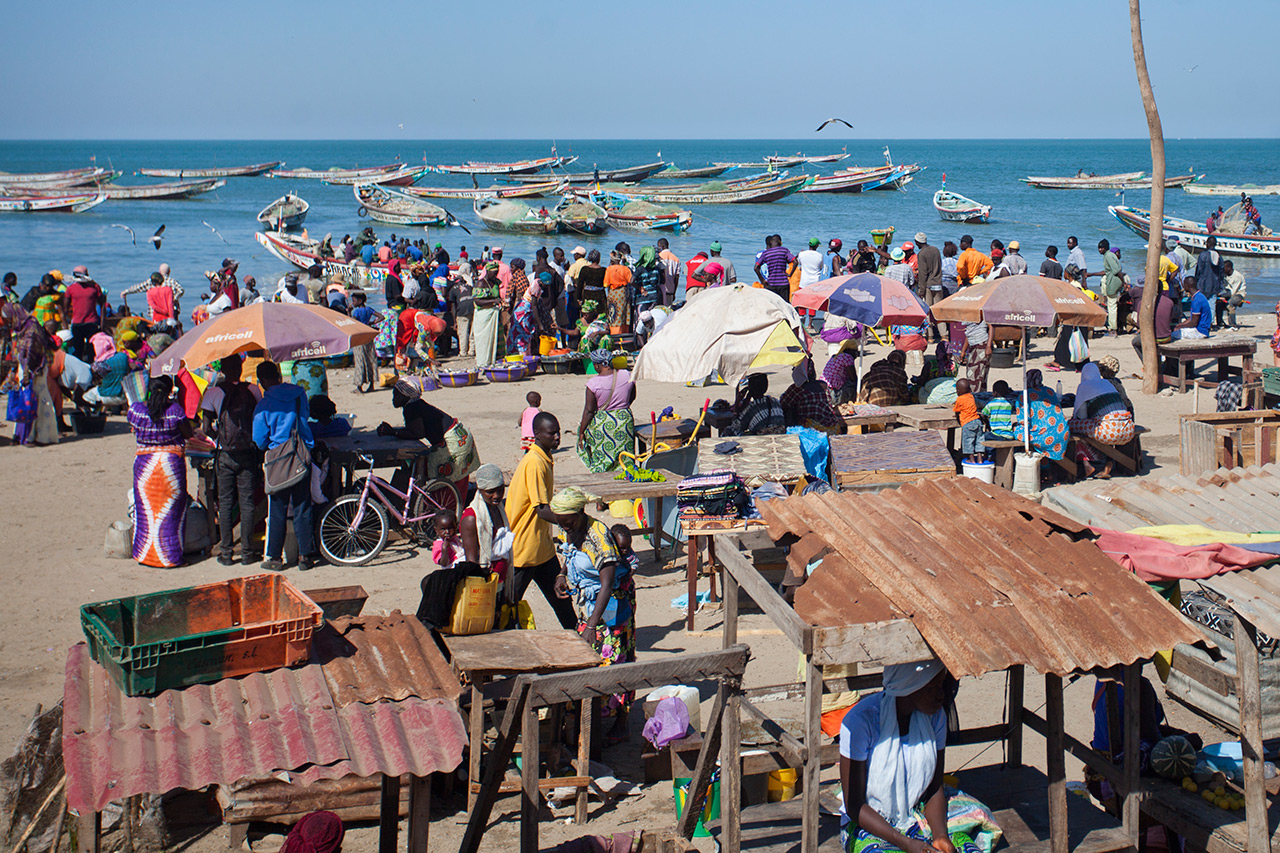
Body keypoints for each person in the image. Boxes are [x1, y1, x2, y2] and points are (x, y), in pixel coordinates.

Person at [839, 660, 988, 853]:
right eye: (932, 687)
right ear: (909, 686)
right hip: (868, 823)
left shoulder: (935, 717)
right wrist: (905, 843)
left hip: (915, 812)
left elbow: (935, 789)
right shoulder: (862, 721)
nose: (941, 695)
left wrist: (940, 836)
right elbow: (855, 805)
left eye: (941, 685)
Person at [552, 488, 637, 742]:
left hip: (612, 609)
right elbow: (568, 553)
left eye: (566, 521)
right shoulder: (566, 527)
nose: (563, 526)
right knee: (588, 662)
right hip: (588, 608)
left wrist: (591, 626)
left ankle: (621, 722)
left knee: (616, 662)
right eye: (560, 521)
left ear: (580, 513)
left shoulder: (599, 537)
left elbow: (607, 584)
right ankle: (591, 725)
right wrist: (561, 575)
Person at [506, 411, 578, 629]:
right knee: (508, 605)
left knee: (562, 599)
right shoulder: (535, 462)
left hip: (542, 547)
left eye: (558, 433)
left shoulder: (545, 457)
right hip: (525, 548)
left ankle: (579, 638)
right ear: (537, 434)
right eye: (551, 433)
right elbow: (541, 509)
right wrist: (571, 523)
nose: (557, 437)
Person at [253, 361, 318, 572]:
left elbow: (259, 438)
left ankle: (274, 557)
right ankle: (305, 556)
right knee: (302, 506)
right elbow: (305, 418)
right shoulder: (299, 394)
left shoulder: (264, 404)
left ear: (262, 381)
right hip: (301, 454)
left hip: (278, 460)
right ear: (279, 374)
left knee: (278, 509)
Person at [200, 358, 265, 566]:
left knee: (226, 502)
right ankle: (247, 553)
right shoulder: (253, 390)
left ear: (223, 370)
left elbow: (205, 428)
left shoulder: (213, 392)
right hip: (248, 453)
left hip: (225, 454)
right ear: (240, 369)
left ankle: (226, 553)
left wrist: (219, 438)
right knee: (247, 503)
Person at [128, 375, 195, 567]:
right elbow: (188, 434)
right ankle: (170, 558)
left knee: (145, 512)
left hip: (144, 466)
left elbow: (134, 427)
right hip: (170, 468)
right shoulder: (175, 411)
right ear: (169, 392)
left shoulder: (137, 411)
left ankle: (144, 555)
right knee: (172, 514)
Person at [379, 377, 480, 496]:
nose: (393, 400)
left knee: (439, 475)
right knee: (456, 478)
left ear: (406, 396)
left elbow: (417, 433)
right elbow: (415, 430)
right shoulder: (416, 404)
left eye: (396, 395)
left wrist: (393, 432)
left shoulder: (410, 408)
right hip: (460, 436)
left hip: (454, 442)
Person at [1, 303, 59, 446]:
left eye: (8, 319)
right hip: (27, 369)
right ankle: (24, 435)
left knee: (36, 402)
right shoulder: (22, 327)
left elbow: (31, 353)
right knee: (26, 401)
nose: (8, 322)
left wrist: (27, 374)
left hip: (35, 370)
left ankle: (37, 436)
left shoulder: (31, 329)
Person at [1069, 363, 1136, 479]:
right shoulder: (1107, 383)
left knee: (1072, 425)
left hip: (1109, 431)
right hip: (1128, 429)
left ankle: (1085, 461)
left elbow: (1082, 416)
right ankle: (1108, 462)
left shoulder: (1084, 386)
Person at [578, 350, 637, 472]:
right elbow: (632, 396)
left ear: (596, 365)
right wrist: (621, 407)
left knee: (603, 458)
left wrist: (582, 431)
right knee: (625, 457)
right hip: (624, 420)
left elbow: (589, 411)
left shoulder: (593, 384)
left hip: (603, 424)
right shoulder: (627, 375)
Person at [461, 463, 513, 580]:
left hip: (501, 581)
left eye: (500, 490)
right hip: (485, 585)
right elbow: (472, 563)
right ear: (480, 490)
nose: (497, 496)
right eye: (490, 492)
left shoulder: (499, 509)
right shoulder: (471, 519)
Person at [780, 357, 844, 434]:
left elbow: (783, 404)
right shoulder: (823, 385)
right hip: (832, 427)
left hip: (811, 430)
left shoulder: (797, 388)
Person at [1019, 370, 1069, 461]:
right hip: (1062, 432)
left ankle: (1043, 467)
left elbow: (1023, 420)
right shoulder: (1050, 391)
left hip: (1045, 438)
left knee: (1017, 430)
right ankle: (1048, 469)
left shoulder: (1024, 395)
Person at [1131, 276, 1177, 365]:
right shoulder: (1169, 302)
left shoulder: (1142, 303)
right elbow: (1170, 319)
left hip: (1151, 338)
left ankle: (1148, 363)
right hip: (1166, 337)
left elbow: (1139, 324)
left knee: (1135, 342)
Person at [65, 266, 105, 362]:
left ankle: (92, 371)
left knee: (92, 351)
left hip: (92, 323)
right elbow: (65, 307)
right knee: (77, 351)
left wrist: (103, 324)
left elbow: (102, 304)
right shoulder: (70, 289)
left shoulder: (95, 287)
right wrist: (66, 323)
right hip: (77, 324)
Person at [1086, 240, 1124, 335]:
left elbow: (1116, 270)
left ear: (1105, 248)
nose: (1099, 250)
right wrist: (1092, 274)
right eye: (1099, 248)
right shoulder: (1108, 255)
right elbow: (1108, 271)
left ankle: (1113, 328)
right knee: (1112, 304)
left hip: (1113, 282)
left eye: (1101, 248)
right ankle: (1113, 326)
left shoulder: (1108, 256)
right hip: (1113, 281)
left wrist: (1123, 282)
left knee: (1112, 305)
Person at [348, 290, 381, 392]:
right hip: (368, 335)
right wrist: (371, 323)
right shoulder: (368, 309)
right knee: (371, 359)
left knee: (360, 360)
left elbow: (352, 322)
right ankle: (371, 384)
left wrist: (348, 311)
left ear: (360, 300)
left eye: (353, 301)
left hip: (359, 336)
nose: (352, 303)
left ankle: (359, 386)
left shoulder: (357, 312)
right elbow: (381, 317)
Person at [472, 263, 503, 366]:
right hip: (484, 316)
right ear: (488, 272)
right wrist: (494, 301)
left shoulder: (495, 282)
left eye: (496, 273)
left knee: (495, 339)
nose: (495, 276)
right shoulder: (481, 283)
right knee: (484, 341)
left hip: (494, 314)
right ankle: (483, 363)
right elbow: (477, 301)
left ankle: (494, 361)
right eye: (494, 273)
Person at [796, 238, 827, 328]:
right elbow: (821, 267)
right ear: (816, 246)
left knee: (802, 303)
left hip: (804, 282)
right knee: (812, 304)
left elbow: (798, 263)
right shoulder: (820, 255)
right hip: (815, 283)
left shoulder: (802, 254)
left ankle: (802, 324)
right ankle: (810, 324)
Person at [754, 235, 794, 302]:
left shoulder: (764, 253)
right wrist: (790, 274)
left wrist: (762, 280)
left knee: (772, 305)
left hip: (770, 283)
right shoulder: (784, 250)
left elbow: (756, 268)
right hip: (783, 283)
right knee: (784, 305)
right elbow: (794, 261)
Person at [953, 378, 983, 464]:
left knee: (968, 441)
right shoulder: (971, 396)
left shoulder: (959, 399)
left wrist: (959, 420)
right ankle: (980, 459)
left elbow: (957, 411)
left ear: (958, 391)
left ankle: (972, 459)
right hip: (977, 421)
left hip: (968, 423)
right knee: (979, 441)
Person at [603, 250, 633, 331]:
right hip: (623, 293)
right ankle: (624, 331)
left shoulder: (609, 269)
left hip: (613, 293)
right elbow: (631, 281)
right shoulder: (626, 269)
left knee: (613, 313)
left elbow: (605, 284)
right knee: (623, 313)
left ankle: (614, 332)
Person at [959, 318, 991, 392]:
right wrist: (963, 350)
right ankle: (978, 397)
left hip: (982, 344)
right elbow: (969, 332)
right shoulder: (969, 313)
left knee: (977, 376)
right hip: (972, 345)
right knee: (973, 374)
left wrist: (988, 346)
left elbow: (991, 327)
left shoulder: (981, 311)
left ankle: (974, 397)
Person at [1220, 260, 1246, 330]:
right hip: (1228, 293)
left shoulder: (1237, 276)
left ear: (1229, 268)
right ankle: (1220, 323)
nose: (1222, 269)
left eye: (1224, 267)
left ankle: (1233, 325)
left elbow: (1233, 292)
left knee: (1229, 304)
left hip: (1239, 294)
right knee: (1218, 304)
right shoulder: (1225, 275)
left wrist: (1222, 295)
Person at [656, 238, 680, 307]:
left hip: (659, 290)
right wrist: (674, 292)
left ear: (662, 246)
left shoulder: (658, 257)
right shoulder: (676, 259)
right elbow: (676, 278)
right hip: (670, 291)